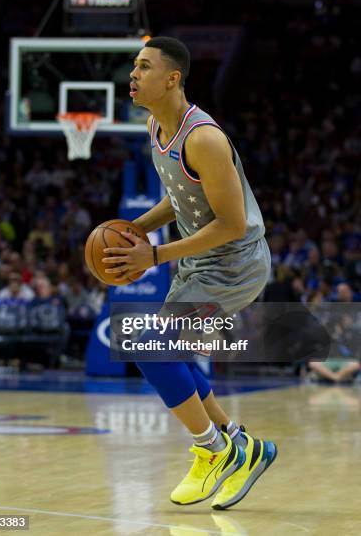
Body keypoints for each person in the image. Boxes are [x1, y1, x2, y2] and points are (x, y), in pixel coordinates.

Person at [102, 37, 277, 510]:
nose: (133, 75)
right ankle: (240, 443)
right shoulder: (154, 126)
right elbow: (179, 199)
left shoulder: (204, 138)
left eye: (143, 66)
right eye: (133, 67)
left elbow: (232, 223)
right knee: (163, 351)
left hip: (235, 265)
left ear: (172, 78)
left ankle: (212, 451)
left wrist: (154, 257)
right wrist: (135, 228)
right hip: (201, 264)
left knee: (147, 345)